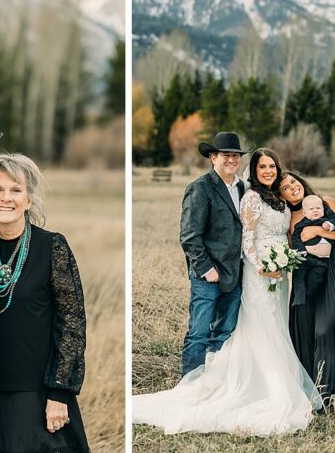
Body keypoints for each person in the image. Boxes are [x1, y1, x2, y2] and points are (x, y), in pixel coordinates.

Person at [133, 149, 321, 436]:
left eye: (272, 166)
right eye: (262, 167)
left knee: (245, 328)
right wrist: (259, 267)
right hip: (241, 271)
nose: (268, 171)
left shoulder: (262, 194)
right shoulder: (220, 190)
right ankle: (193, 387)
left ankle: (259, 380)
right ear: (214, 158)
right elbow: (210, 236)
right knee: (204, 330)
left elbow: (286, 229)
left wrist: (287, 259)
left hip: (269, 274)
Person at [0, 154, 95, 453]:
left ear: (28, 199)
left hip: (37, 394)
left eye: (15, 190)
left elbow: (72, 324)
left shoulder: (51, 247)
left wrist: (59, 393)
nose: (6, 197)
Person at [279, 171, 335, 404]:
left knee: (327, 327)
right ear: (282, 195)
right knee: (304, 328)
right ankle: (309, 386)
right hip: (305, 273)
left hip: (334, 268)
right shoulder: (288, 217)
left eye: (294, 181)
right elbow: (291, 246)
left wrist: (318, 231)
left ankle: (330, 389)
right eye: (285, 187)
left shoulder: (326, 202)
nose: (292, 187)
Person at [177, 132, 246, 377]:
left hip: (235, 272)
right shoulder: (200, 188)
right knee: (199, 333)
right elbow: (189, 236)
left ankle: (215, 380)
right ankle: (191, 385)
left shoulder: (242, 188)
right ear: (213, 158)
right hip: (208, 274)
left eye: (235, 156)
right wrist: (207, 269)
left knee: (225, 331)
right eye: (226, 155)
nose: (231, 160)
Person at [289, 195, 335, 306]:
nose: (315, 211)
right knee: (299, 276)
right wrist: (300, 250)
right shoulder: (301, 225)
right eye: (311, 209)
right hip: (306, 257)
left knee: (316, 279)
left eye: (318, 208)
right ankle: (299, 298)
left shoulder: (328, 218)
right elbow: (295, 238)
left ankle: (310, 296)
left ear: (323, 210)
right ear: (304, 213)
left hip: (322, 261)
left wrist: (330, 224)